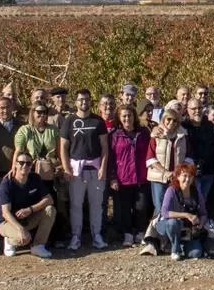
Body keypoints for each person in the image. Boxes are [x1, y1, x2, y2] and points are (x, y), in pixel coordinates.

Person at [59, 89, 109, 250]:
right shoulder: (69, 121)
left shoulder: (98, 121)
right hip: (76, 170)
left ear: (90, 101)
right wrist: (66, 168)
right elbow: (63, 147)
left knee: (96, 205)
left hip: (95, 168)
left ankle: (97, 235)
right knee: (76, 205)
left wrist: (103, 167)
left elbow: (105, 147)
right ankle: (76, 236)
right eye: (81, 99)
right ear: (76, 102)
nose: (84, 102)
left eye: (87, 99)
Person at [12, 103, 66, 246]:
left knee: (52, 203)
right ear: (32, 112)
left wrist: (61, 167)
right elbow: (19, 151)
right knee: (32, 204)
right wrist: (14, 168)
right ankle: (30, 238)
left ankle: (52, 238)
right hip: (31, 174)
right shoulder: (25, 130)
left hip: (49, 174)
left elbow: (60, 152)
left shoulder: (53, 130)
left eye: (45, 112)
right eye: (39, 112)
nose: (42, 115)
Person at [141, 163, 208, 260]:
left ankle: (180, 246)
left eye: (190, 176)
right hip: (167, 224)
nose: (187, 179)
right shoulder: (171, 190)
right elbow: (164, 212)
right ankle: (175, 250)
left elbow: (204, 213)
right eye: (184, 176)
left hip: (187, 229)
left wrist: (200, 224)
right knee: (173, 223)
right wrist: (186, 215)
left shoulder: (196, 193)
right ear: (178, 177)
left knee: (195, 253)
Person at [0, 155, 56, 258]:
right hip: (7, 222)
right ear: (15, 164)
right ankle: (9, 241)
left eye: (28, 163)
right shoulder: (7, 183)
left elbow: (49, 199)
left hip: (27, 219)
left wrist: (30, 209)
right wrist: (21, 229)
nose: (25, 166)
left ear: (31, 165)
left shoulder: (35, 178)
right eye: (21, 163)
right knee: (23, 239)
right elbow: (5, 212)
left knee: (50, 210)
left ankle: (38, 246)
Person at [108, 105, 151, 246]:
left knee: (141, 207)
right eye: (124, 116)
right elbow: (111, 159)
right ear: (119, 118)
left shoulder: (143, 133)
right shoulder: (114, 135)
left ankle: (140, 232)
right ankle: (127, 234)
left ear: (134, 116)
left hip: (142, 176)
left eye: (130, 115)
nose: (127, 118)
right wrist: (112, 177)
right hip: (123, 177)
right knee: (125, 209)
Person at [146, 109, 188, 214]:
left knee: (175, 207)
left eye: (175, 120)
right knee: (160, 207)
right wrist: (165, 172)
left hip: (176, 178)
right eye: (169, 119)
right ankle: (158, 224)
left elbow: (188, 157)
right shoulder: (156, 136)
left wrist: (179, 172)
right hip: (159, 178)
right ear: (164, 119)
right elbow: (150, 158)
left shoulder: (183, 136)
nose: (171, 122)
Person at [185, 98, 214, 202]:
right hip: (190, 174)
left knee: (203, 201)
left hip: (208, 172)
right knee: (194, 202)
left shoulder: (210, 126)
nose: (197, 111)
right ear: (187, 110)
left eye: (199, 108)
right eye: (194, 109)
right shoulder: (183, 126)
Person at [0, 97, 22, 189]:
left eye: (8, 107)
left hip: (20, 170)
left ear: (12, 107)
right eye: (2, 108)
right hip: (1, 173)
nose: (5, 111)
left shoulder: (22, 126)